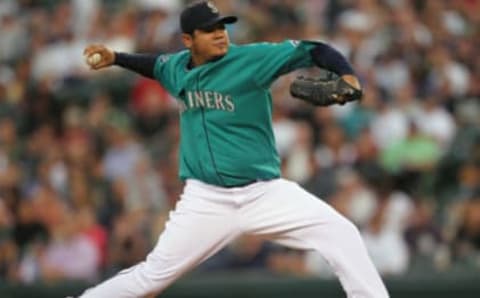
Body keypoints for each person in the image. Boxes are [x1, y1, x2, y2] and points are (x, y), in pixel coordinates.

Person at [79, 1, 389, 297]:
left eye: (222, 28)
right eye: (210, 30)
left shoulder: (251, 60)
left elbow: (315, 50)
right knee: (150, 279)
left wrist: (348, 77)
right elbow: (154, 65)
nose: (220, 34)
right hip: (205, 200)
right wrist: (116, 58)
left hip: (264, 194)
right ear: (188, 40)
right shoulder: (176, 67)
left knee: (342, 233)